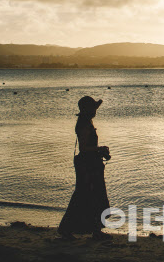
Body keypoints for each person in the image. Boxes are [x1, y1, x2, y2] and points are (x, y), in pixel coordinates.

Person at [58, 96, 112, 240]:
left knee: (92, 196)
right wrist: (99, 149)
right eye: (93, 108)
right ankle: (68, 229)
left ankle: (95, 230)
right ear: (87, 110)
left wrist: (99, 151)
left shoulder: (86, 121)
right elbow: (83, 148)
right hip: (88, 165)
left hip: (91, 163)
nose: (95, 111)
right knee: (85, 196)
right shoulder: (83, 124)